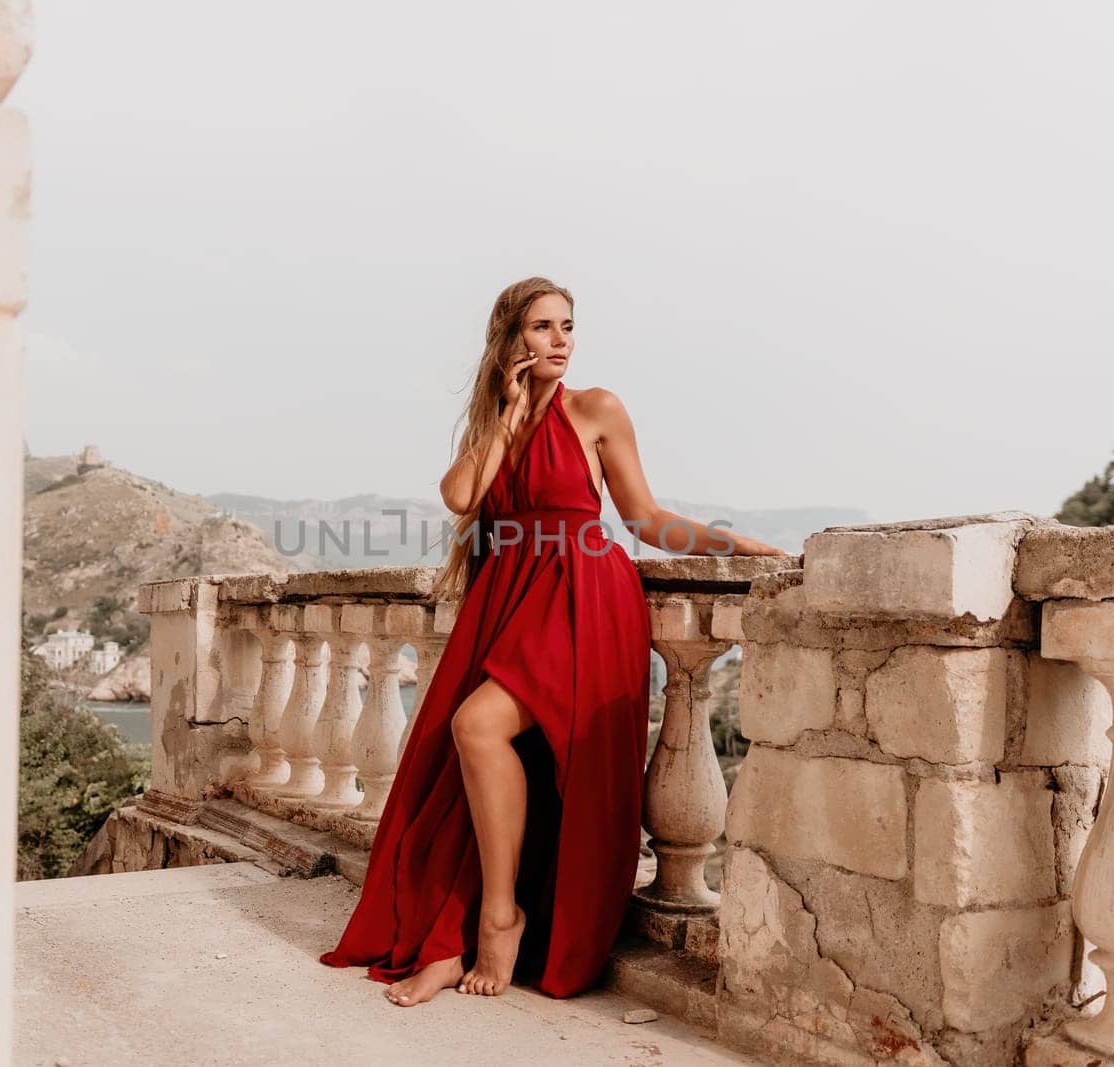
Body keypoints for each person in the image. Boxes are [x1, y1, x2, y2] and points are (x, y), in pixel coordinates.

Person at [318, 276, 788, 1006]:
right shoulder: (497, 424)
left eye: (568, 325)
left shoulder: (595, 408)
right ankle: (461, 932)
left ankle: (502, 920)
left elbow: (644, 516)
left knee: (478, 726)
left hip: (582, 594)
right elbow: (460, 497)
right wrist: (507, 415)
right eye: (542, 327)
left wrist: (731, 543)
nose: (562, 340)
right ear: (511, 340)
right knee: (459, 755)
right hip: (509, 596)